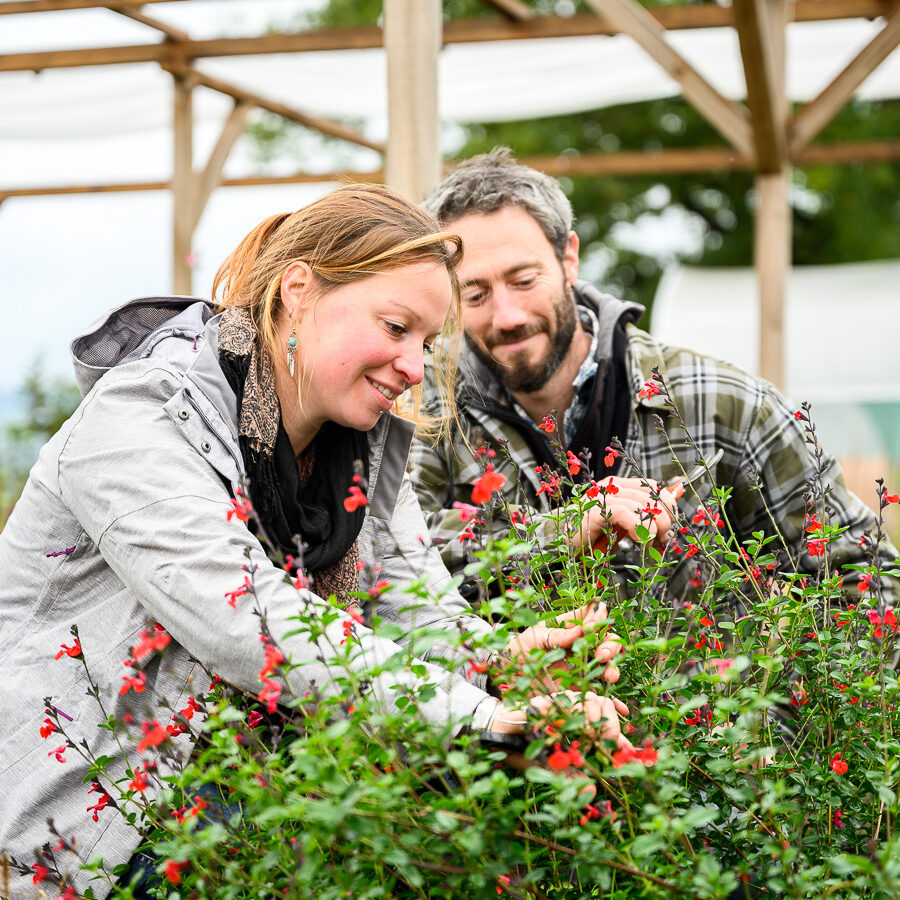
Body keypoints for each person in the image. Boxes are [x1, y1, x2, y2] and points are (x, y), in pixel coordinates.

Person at [0, 184, 628, 898]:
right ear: (299, 291)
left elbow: (409, 606)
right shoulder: (139, 420)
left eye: (427, 340)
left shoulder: (356, 448)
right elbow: (249, 619)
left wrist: (498, 664)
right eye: (396, 327)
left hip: (254, 804)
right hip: (93, 833)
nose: (417, 367)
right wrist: (484, 721)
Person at [412, 147, 898, 605]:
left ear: (569, 258)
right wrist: (561, 534)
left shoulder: (720, 404)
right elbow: (390, 573)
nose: (507, 315)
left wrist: (763, 694)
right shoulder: (421, 408)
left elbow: (867, 577)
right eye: (474, 295)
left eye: (524, 280)